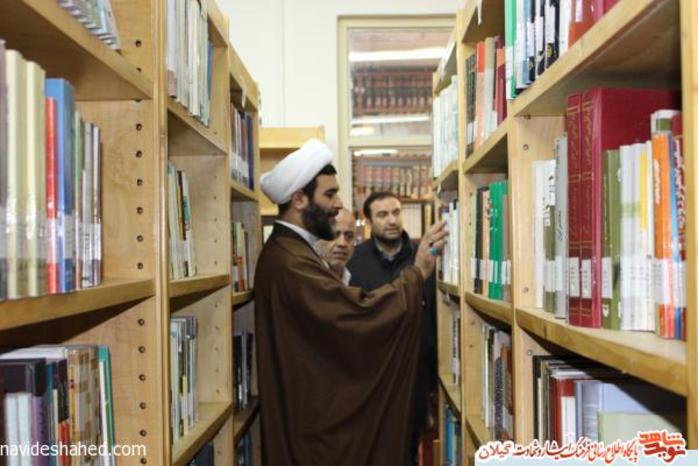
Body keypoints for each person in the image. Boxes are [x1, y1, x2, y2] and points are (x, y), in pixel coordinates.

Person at [255, 138, 447, 466]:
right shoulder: (290, 261)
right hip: (311, 429)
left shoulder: (292, 251)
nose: (338, 204)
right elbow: (355, 316)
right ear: (299, 199)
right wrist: (416, 274)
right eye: (329, 194)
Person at [346, 191, 437, 466]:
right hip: (371, 383)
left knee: (409, 454)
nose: (392, 220)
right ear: (368, 221)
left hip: (416, 379)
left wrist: (432, 388)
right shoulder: (354, 263)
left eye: (396, 213)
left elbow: (433, 320)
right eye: (383, 215)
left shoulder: (424, 258)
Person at [316, 208, 356, 284]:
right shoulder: (305, 276)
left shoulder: (357, 279)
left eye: (349, 236)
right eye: (333, 235)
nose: (342, 243)